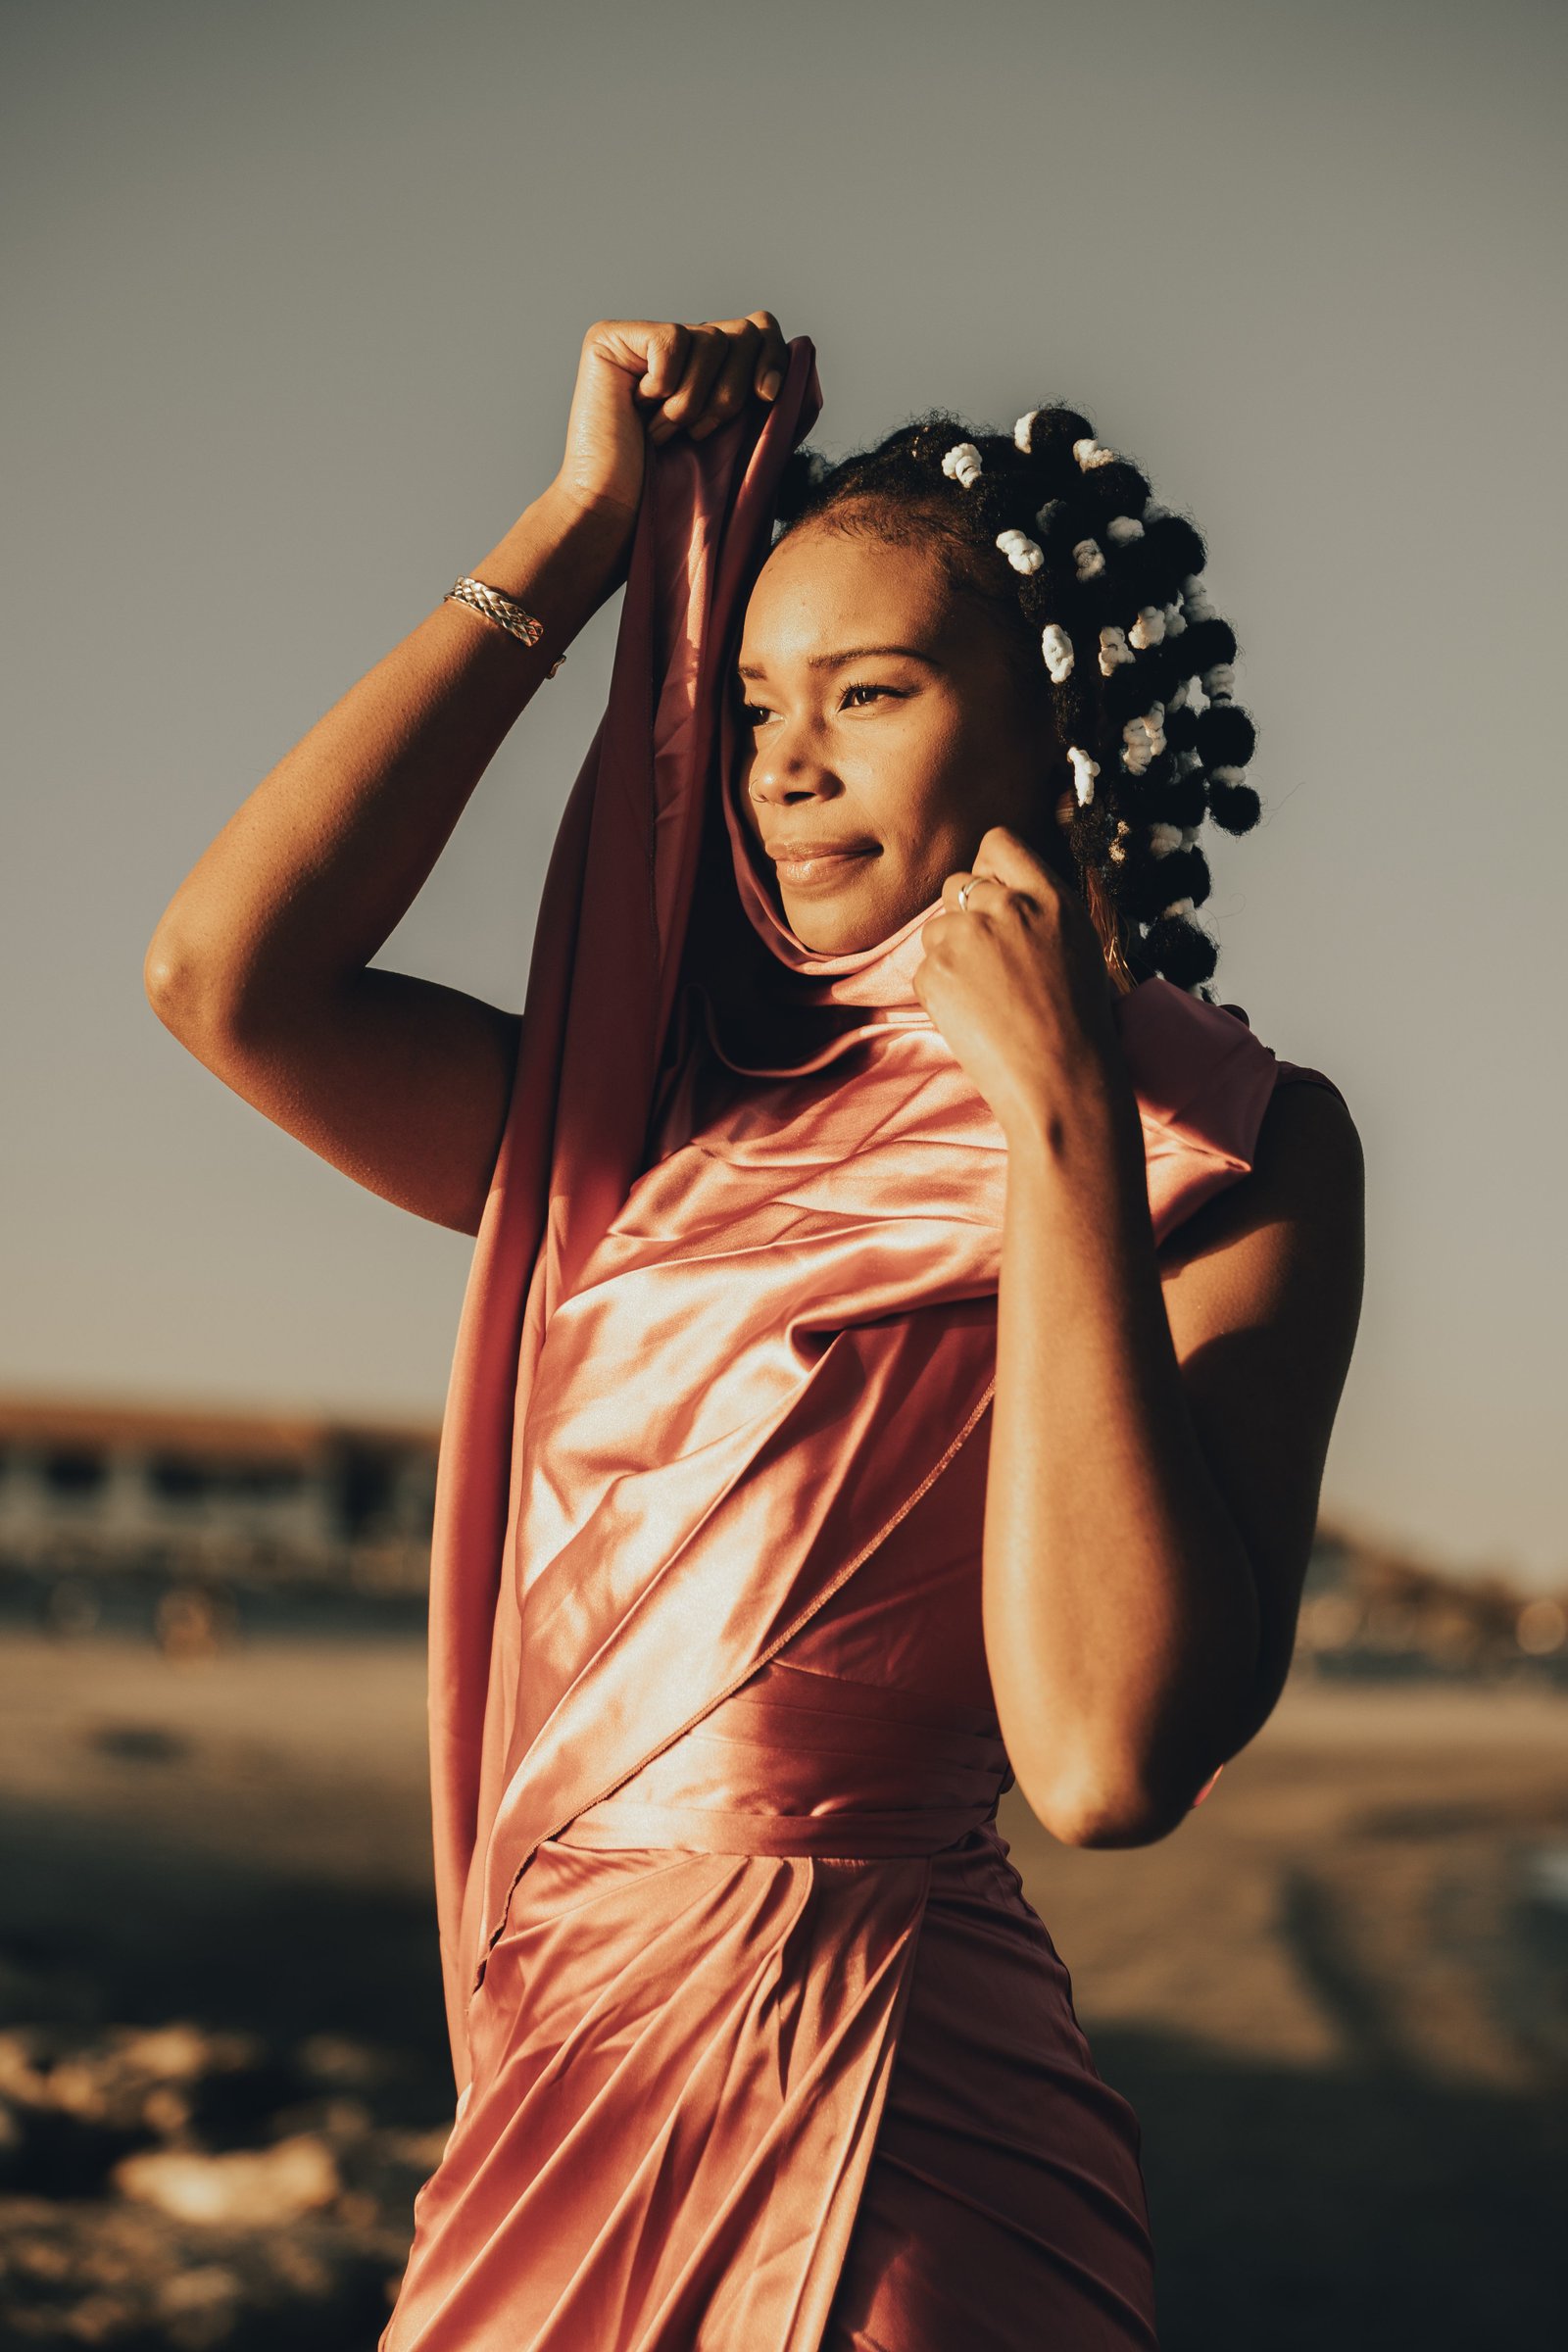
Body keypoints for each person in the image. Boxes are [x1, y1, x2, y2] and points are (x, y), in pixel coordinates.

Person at [145, 313, 1364, 2350]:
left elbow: (1105, 1755)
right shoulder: (659, 1110)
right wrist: (571, 531)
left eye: (867, 692)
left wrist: (1054, 1108)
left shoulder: (1214, 1142)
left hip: (896, 2139)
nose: (784, 763)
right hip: (552, 2102)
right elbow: (225, 979)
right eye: (748, 705)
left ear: (1042, 731)